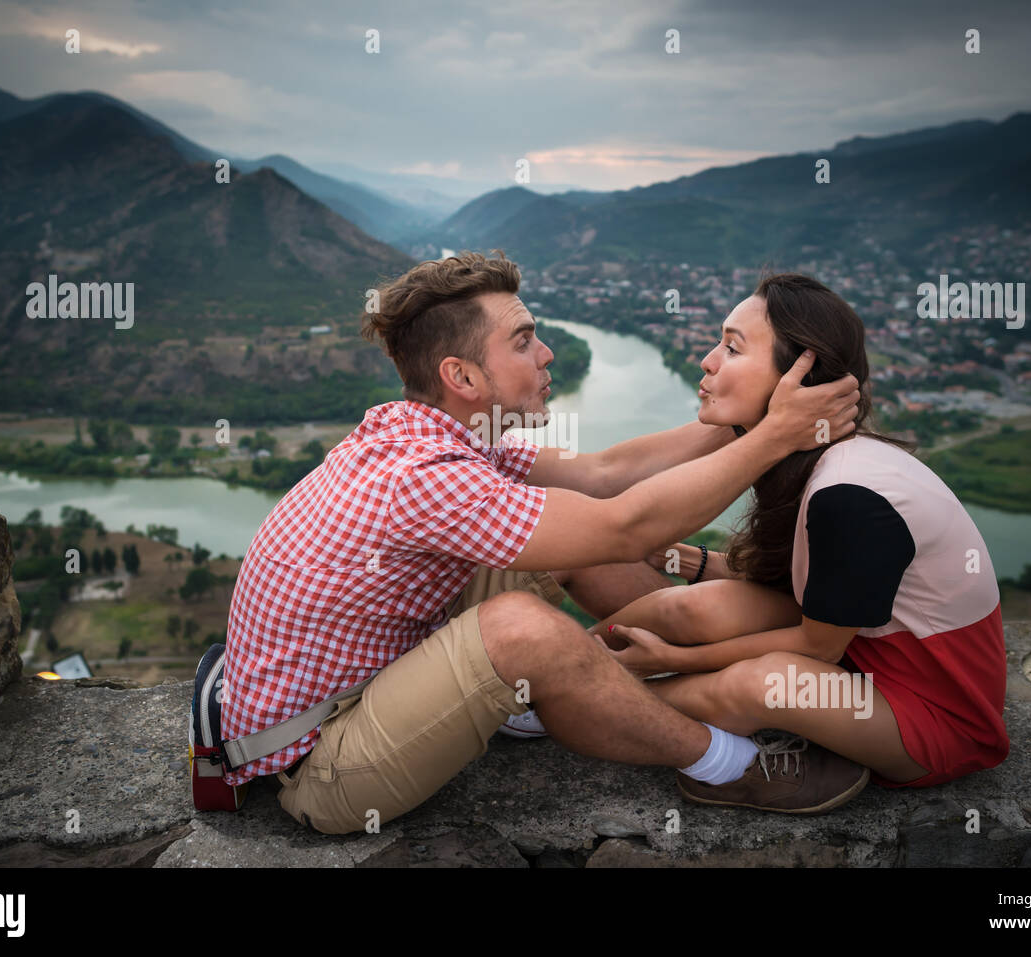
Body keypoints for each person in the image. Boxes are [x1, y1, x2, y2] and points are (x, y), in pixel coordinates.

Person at [221, 251, 864, 834]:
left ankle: (711, 673)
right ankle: (730, 766)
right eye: (524, 342)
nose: (548, 354)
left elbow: (605, 475)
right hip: (320, 762)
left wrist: (752, 418)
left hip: (377, 682)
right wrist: (775, 439)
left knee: (575, 540)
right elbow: (628, 525)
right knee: (525, 626)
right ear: (464, 377)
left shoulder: (447, 435)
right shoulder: (423, 477)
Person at [587, 272, 1010, 812]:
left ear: (799, 377)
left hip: (935, 720)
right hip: (865, 664)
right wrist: (686, 561)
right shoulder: (819, 460)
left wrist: (671, 660)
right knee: (703, 604)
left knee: (762, 683)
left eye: (732, 348)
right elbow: (796, 591)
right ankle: (578, 663)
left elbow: (816, 648)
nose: (707, 360)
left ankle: (576, 700)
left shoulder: (850, 495)